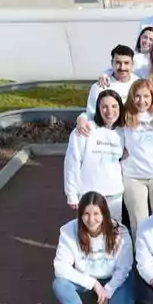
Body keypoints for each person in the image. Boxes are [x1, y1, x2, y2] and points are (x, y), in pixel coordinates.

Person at [53, 193, 135, 304]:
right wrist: (93, 284)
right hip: (88, 278)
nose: (91, 219)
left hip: (113, 277)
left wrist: (107, 292)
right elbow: (60, 267)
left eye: (96, 214)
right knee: (60, 284)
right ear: (80, 214)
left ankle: (108, 295)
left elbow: (124, 268)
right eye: (86, 214)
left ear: (104, 213)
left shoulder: (120, 232)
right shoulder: (68, 231)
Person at [64, 89, 125, 218]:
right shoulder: (85, 130)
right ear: (98, 109)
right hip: (89, 195)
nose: (109, 111)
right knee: (89, 228)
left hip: (114, 194)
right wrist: (71, 194)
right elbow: (72, 162)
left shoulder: (123, 131)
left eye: (114, 106)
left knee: (113, 228)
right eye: (104, 107)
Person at [119, 78, 153, 231]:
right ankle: (139, 247)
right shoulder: (124, 116)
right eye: (137, 96)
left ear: (152, 96)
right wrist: (81, 119)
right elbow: (98, 118)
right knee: (139, 222)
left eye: (146, 96)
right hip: (133, 177)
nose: (142, 101)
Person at [85, 45, 138, 126]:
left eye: (126, 63)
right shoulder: (100, 86)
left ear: (132, 64)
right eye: (118, 63)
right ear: (112, 63)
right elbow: (91, 115)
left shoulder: (139, 84)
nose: (122, 67)